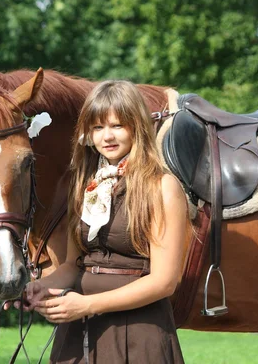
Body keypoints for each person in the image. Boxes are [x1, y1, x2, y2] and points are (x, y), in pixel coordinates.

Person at [21, 80, 187, 363]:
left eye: (117, 126)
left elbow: (164, 281)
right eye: (97, 128)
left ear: (137, 127)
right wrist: (40, 286)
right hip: (78, 333)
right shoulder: (85, 186)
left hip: (138, 333)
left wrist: (87, 304)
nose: (106, 137)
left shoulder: (162, 187)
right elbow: (74, 267)